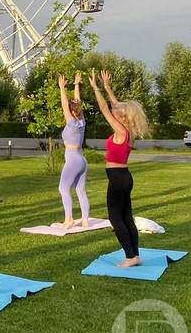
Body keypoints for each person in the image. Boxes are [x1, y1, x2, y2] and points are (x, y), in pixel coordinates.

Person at [89, 69, 149, 268]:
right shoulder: (128, 130)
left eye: (119, 113)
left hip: (117, 178)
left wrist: (96, 88)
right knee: (126, 217)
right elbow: (115, 106)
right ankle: (135, 255)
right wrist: (107, 87)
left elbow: (106, 109)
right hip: (124, 176)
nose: (115, 112)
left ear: (122, 117)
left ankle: (130, 256)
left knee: (115, 218)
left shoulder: (120, 130)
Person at [58, 72, 89, 229]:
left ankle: (69, 219)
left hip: (73, 160)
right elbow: (77, 103)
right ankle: (85, 220)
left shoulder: (71, 122)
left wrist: (62, 88)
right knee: (80, 191)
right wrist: (77, 85)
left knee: (63, 188)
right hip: (82, 160)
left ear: (71, 111)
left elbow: (65, 105)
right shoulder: (81, 121)